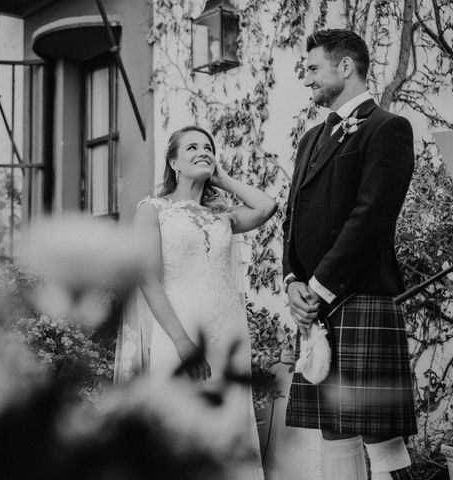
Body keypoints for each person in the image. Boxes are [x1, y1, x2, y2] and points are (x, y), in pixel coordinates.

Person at [282, 29, 417, 480]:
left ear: (345, 68)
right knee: (334, 428)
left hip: (359, 296)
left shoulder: (387, 128)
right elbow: (294, 215)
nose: (307, 79)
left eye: (313, 68)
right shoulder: (310, 139)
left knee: (379, 433)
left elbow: (371, 218)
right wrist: (292, 281)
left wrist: (318, 287)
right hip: (317, 303)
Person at [116, 125, 276, 480]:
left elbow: (267, 206)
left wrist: (225, 179)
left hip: (228, 337)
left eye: (208, 147)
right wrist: (183, 343)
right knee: (181, 431)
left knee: (224, 432)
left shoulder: (222, 215)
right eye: (192, 148)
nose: (203, 151)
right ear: (174, 161)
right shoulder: (153, 210)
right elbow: (148, 279)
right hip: (180, 335)